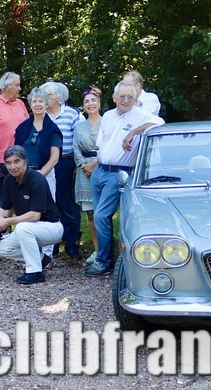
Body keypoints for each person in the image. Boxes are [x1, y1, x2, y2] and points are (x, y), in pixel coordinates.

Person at [85, 80, 164, 276]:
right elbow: (103, 143)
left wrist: (134, 132)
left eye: (130, 97)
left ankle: (104, 262)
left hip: (119, 173)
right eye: (122, 96)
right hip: (100, 170)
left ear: (135, 98)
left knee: (102, 215)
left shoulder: (140, 115)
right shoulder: (108, 116)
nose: (126, 100)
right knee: (99, 217)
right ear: (114, 98)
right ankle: (107, 256)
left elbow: (160, 123)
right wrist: (95, 165)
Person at [0, 145, 63, 285]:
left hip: (52, 228)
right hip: (28, 228)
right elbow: (4, 209)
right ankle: (41, 259)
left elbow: (35, 216)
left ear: (25, 161)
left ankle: (35, 272)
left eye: (16, 161)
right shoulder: (8, 180)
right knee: (2, 248)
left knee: (22, 227)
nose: (12, 167)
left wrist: (8, 222)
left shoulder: (37, 179)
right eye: (8, 163)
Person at [44, 81, 82, 259]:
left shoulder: (72, 114)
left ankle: (72, 242)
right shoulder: (40, 114)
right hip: (46, 163)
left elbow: (78, 141)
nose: (43, 98)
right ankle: (52, 242)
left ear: (58, 97)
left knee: (67, 203)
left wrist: (76, 164)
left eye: (47, 95)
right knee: (50, 202)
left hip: (66, 162)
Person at [13, 88, 62, 199]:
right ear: (30, 104)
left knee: (45, 208)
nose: (37, 104)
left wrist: (38, 176)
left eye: (41, 101)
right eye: (34, 101)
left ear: (46, 104)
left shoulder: (53, 129)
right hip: (24, 175)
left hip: (45, 175)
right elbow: (16, 153)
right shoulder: (22, 128)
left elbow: (54, 158)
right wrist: (23, 174)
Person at [73, 85, 103, 265]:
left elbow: (110, 146)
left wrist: (95, 164)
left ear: (99, 102)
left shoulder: (107, 123)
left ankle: (108, 249)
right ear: (83, 105)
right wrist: (84, 165)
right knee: (90, 213)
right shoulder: (79, 126)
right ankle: (97, 250)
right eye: (87, 101)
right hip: (84, 172)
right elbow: (75, 147)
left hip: (102, 168)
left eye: (93, 100)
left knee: (103, 213)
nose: (90, 104)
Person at [0, 71, 28, 184]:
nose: (20, 88)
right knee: (7, 193)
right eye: (17, 85)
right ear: (7, 87)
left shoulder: (20, 103)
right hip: (3, 161)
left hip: (22, 159)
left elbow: (29, 128)